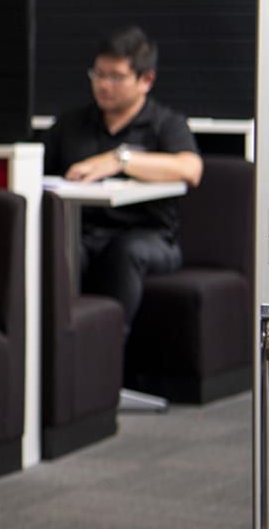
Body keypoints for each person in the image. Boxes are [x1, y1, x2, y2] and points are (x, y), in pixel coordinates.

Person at [42, 26, 202, 332]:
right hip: (84, 230)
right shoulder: (71, 124)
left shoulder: (165, 124)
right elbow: (40, 171)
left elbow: (190, 169)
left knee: (125, 252)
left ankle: (110, 347)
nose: (103, 85)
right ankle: (57, 343)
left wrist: (121, 161)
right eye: (98, 74)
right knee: (59, 246)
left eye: (115, 77)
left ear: (146, 80)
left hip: (149, 236)